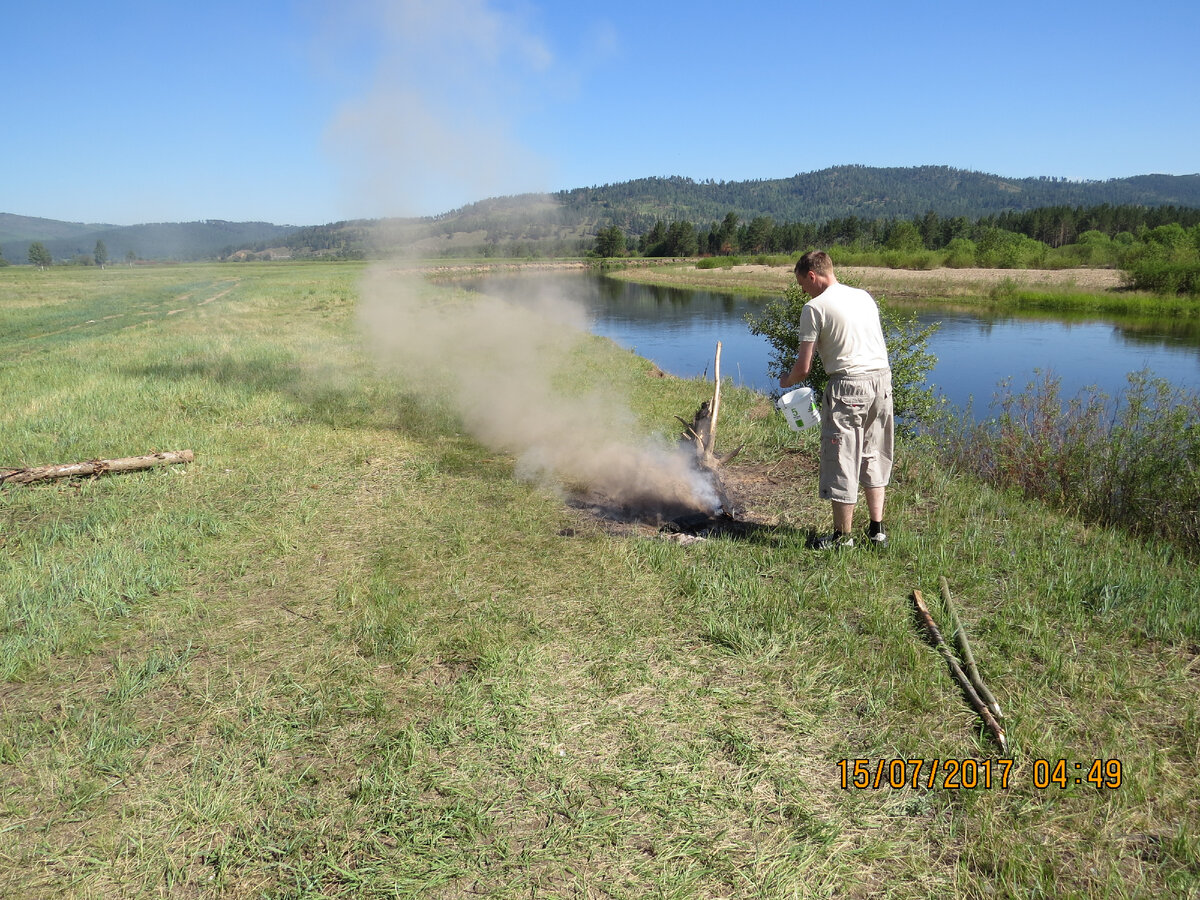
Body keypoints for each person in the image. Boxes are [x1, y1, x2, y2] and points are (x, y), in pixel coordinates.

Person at [780, 250, 893, 550]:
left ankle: (843, 538)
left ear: (813, 276)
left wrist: (786, 381)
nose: (802, 290)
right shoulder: (863, 296)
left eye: (802, 283)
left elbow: (803, 369)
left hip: (848, 386)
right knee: (873, 452)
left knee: (842, 458)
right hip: (882, 382)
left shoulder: (814, 307)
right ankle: (877, 530)